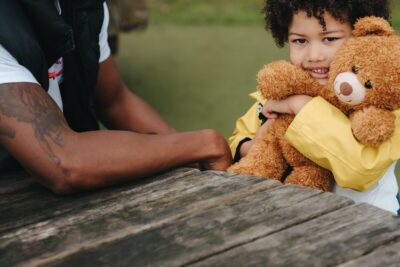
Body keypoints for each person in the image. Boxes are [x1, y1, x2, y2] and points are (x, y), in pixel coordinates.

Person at [0, 0, 232, 195]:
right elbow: (63, 162)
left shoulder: (83, 7)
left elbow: (116, 102)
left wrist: (198, 161)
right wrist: (202, 144)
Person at [228, 0, 400, 214]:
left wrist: (301, 106)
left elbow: (361, 171)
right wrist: (254, 143)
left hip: (368, 225)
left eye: (330, 38)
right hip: (290, 219)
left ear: (361, 36)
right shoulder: (283, 88)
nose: (314, 55)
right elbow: (238, 139)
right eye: (300, 41)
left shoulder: (387, 103)